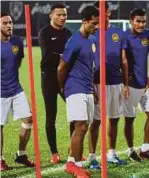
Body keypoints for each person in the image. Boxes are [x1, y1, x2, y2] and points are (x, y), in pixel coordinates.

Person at [86, 2, 132, 169]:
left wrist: (126, 84)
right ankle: (92, 158)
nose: (98, 16)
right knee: (96, 121)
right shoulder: (92, 33)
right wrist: (91, 86)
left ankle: (111, 153)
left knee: (114, 119)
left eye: (101, 12)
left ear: (109, 13)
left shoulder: (118, 33)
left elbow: (124, 60)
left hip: (116, 82)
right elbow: (87, 62)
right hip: (98, 83)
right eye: (96, 14)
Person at [57, 6, 99, 177]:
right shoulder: (74, 41)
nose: (96, 26)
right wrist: (63, 88)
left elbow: (89, 67)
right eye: (94, 23)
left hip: (87, 88)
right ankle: (75, 167)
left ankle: (72, 162)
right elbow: (61, 67)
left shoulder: (91, 40)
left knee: (82, 127)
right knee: (80, 126)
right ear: (85, 21)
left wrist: (93, 90)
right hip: (75, 88)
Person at [0, 12, 36, 172]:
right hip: (0, 92)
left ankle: (21, 154)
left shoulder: (17, 41)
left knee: (28, 119)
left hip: (15, 88)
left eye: (10, 22)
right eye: (5, 23)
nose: (9, 25)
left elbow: (18, 62)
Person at [38, 3, 72, 164]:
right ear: (51, 15)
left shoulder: (69, 33)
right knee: (51, 116)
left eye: (64, 15)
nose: (62, 18)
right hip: (49, 79)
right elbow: (50, 55)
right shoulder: (44, 33)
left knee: (76, 114)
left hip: (66, 78)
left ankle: (73, 149)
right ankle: (54, 153)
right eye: (59, 14)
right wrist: (66, 57)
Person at [124, 8, 149, 161]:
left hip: (145, 84)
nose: (141, 24)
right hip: (130, 84)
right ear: (131, 21)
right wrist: (125, 82)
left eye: (143, 21)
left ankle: (145, 149)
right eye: (138, 21)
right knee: (129, 119)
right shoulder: (124, 36)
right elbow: (122, 60)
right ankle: (131, 150)